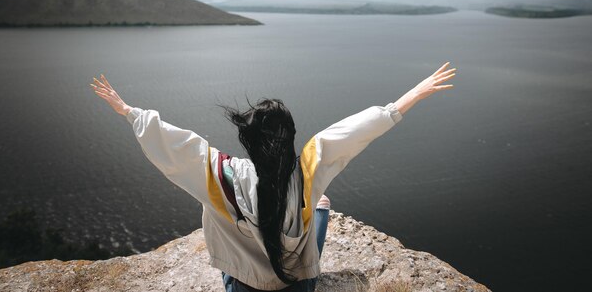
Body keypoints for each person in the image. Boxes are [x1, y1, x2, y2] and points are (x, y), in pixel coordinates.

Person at [91, 61, 456, 291]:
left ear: (248, 142)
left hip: (245, 285)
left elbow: (178, 145)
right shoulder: (309, 170)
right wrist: (412, 96)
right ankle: (319, 212)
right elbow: (353, 131)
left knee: (211, 206)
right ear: (291, 137)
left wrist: (128, 111)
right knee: (320, 205)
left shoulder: (221, 175)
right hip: (299, 285)